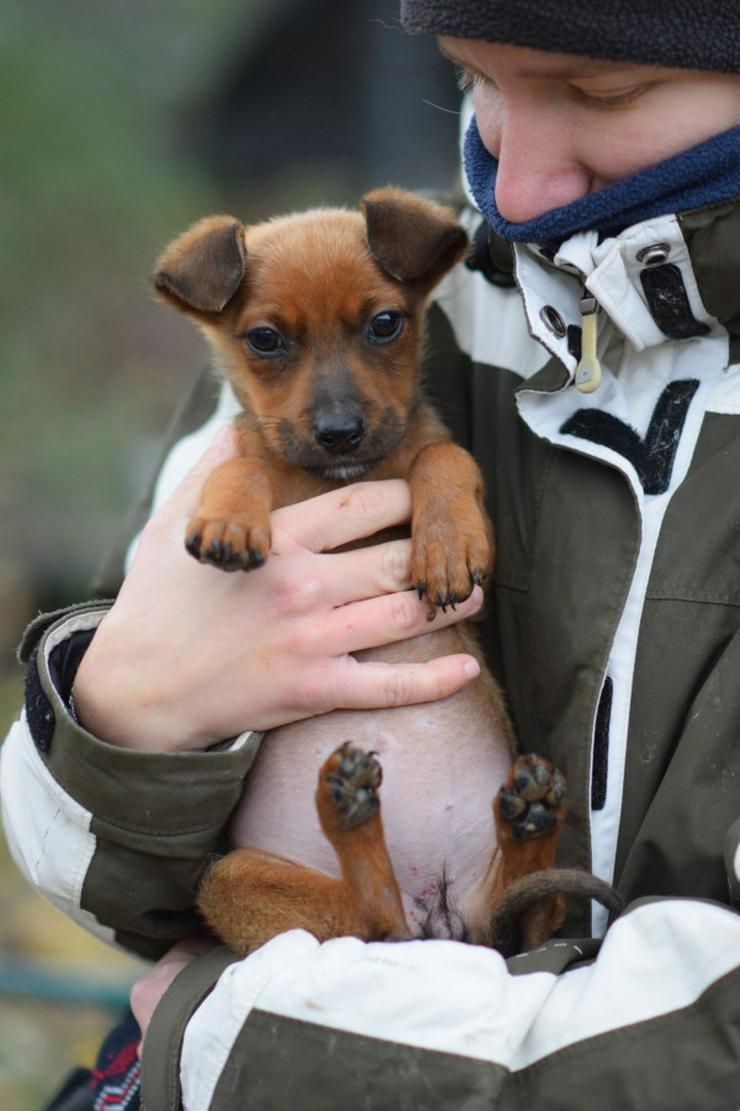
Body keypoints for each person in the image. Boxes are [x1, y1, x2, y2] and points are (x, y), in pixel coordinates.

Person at [3, 1, 740, 1107]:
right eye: (474, 82)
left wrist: (238, 1047)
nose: (517, 184)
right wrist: (121, 717)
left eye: (600, 93)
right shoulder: (439, 299)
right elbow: (110, 879)